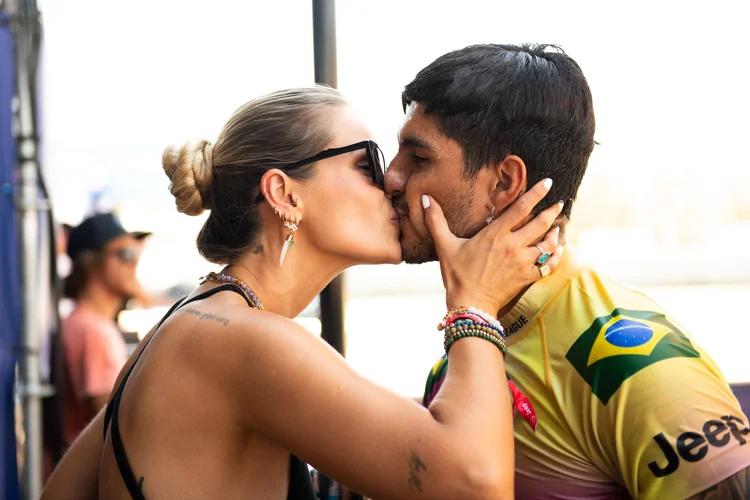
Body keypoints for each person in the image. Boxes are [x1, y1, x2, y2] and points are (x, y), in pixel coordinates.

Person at [42, 86, 564, 499]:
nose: (392, 183)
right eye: (368, 163)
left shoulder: (189, 324)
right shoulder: (245, 342)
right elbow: (475, 485)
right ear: (283, 193)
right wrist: (474, 303)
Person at [385, 43, 750, 499]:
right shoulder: (466, 342)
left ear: (503, 183)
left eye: (418, 158)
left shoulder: (635, 362)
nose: (391, 177)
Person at [60, 212, 150, 449]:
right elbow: (115, 426)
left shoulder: (88, 323)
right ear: (91, 262)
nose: (134, 263)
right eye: (126, 254)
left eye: (137, 254)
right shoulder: (91, 330)